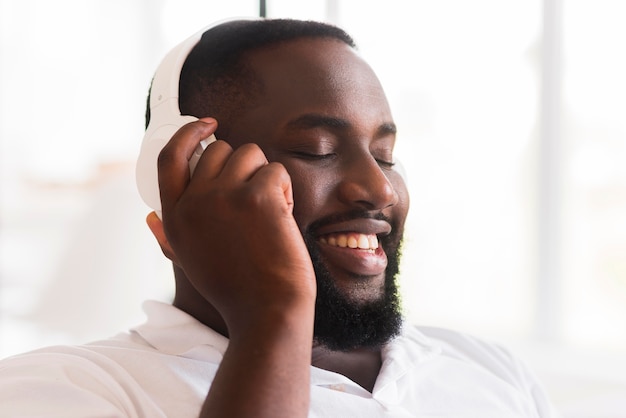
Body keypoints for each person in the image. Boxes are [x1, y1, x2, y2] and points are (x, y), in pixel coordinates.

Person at [0, 18, 559, 417]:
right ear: (186, 188)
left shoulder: (490, 372)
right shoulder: (63, 391)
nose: (377, 187)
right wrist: (274, 314)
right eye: (317, 149)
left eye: (386, 156)